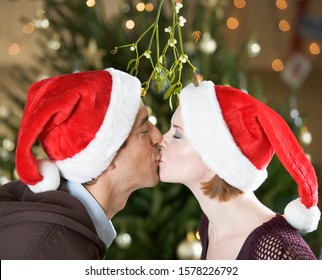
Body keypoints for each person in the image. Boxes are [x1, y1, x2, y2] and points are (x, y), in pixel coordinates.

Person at [0, 68, 162, 259]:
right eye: (144, 131)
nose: (158, 136)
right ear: (108, 156)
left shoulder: (62, 230)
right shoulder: (54, 249)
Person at [159, 80, 321, 260]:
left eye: (177, 135)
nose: (161, 140)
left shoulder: (280, 251)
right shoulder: (209, 227)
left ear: (214, 156)